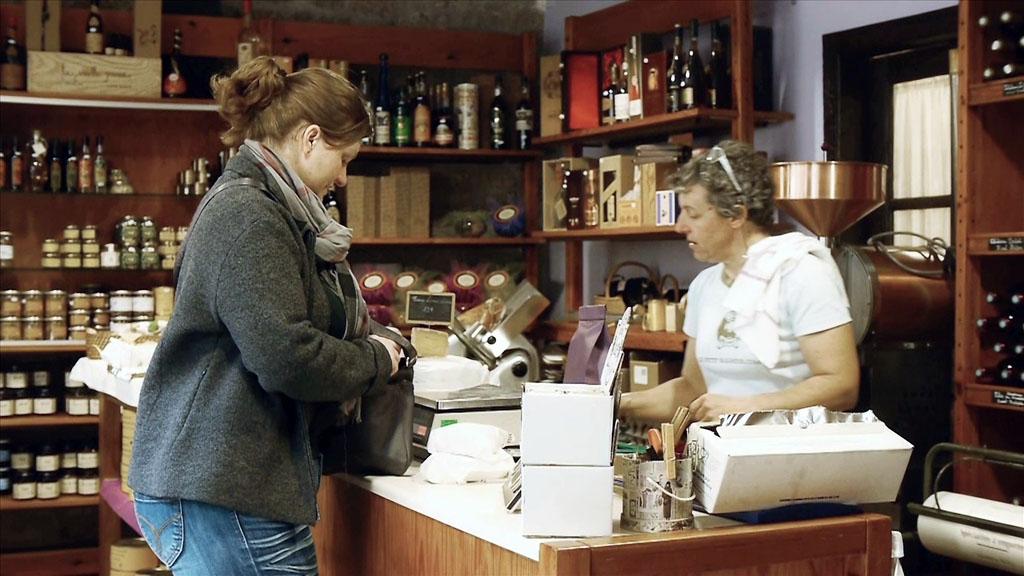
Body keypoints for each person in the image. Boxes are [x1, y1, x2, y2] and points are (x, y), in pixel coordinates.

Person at [128, 57, 405, 575]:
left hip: (227, 488)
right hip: (224, 494)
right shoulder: (251, 216)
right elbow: (288, 357)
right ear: (310, 138)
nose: (343, 178)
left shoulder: (270, 208)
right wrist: (375, 360)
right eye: (344, 159)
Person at [621, 140, 859, 425]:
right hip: (721, 445)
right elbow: (693, 389)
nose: (680, 226)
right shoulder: (704, 286)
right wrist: (616, 403)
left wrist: (747, 407)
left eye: (693, 213)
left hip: (790, 447)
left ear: (736, 214)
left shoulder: (801, 273)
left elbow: (841, 386)